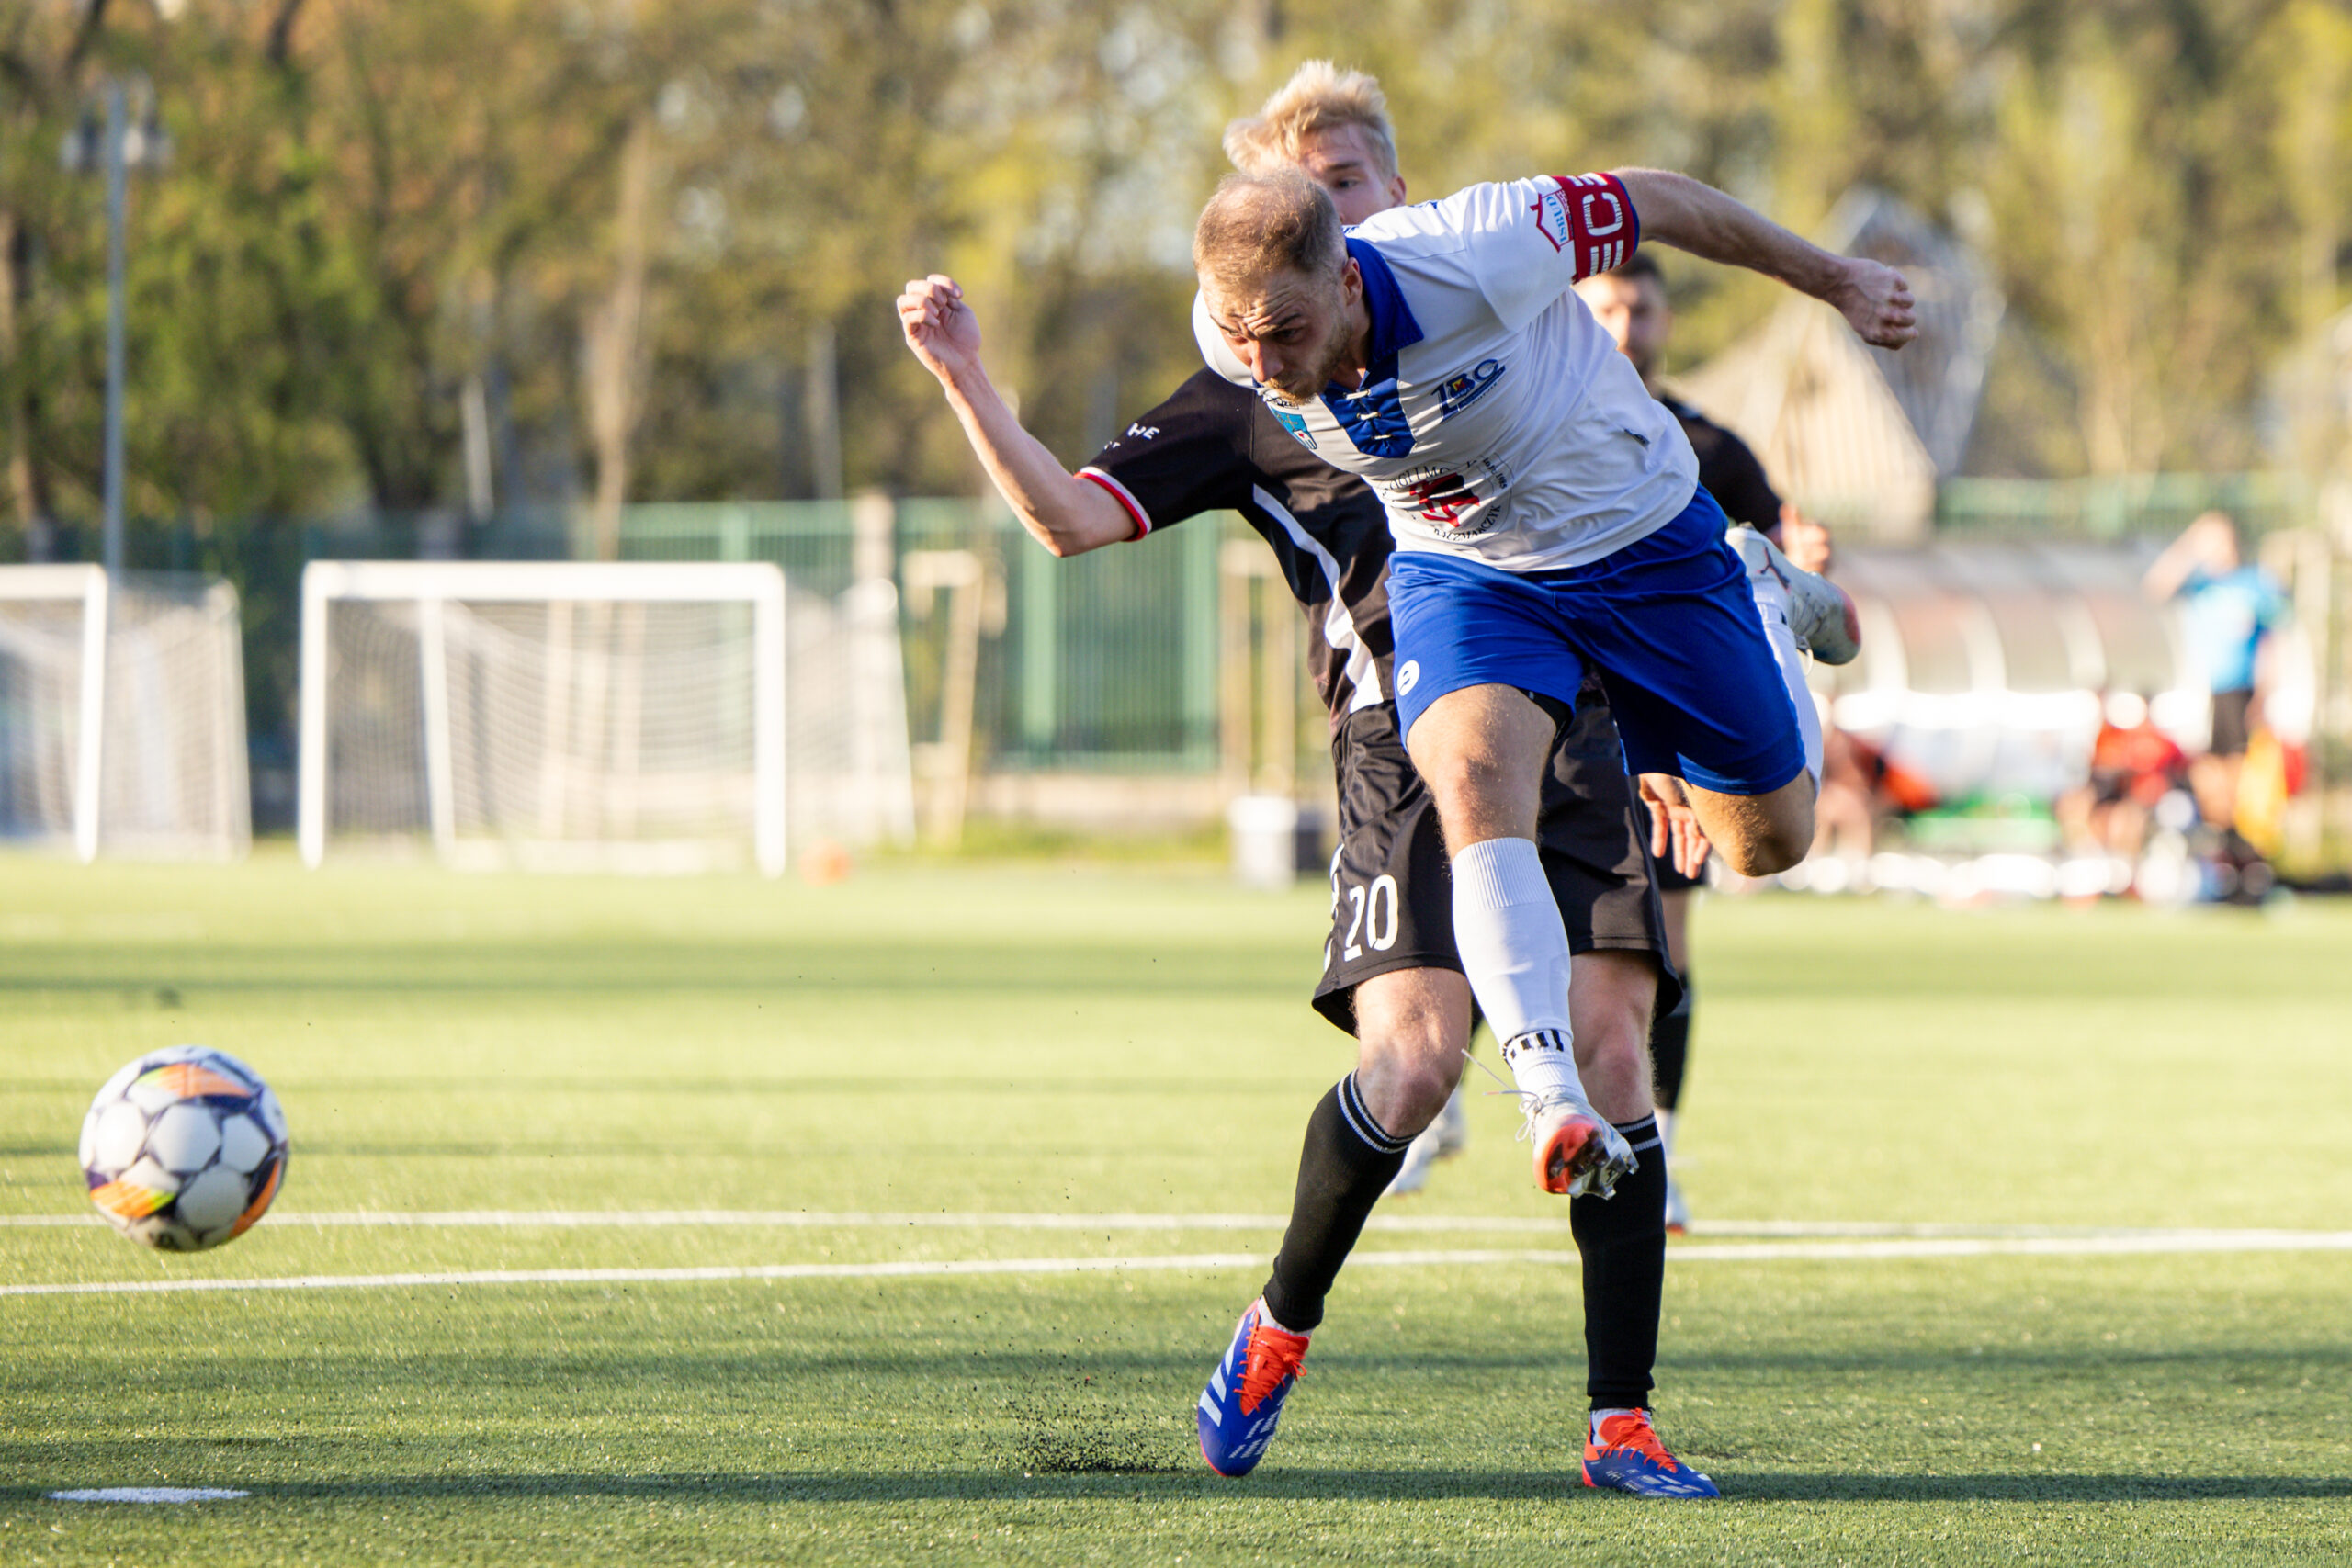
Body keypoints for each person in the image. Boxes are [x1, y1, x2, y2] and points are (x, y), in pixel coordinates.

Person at [899, 61, 1717, 1496]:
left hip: (1575, 716)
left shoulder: (1489, 303)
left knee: (1615, 1053)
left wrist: (1666, 736)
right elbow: (1073, 519)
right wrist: (969, 381)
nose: (1320, 209)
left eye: (1339, 183)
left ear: (1387, 194)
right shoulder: (1250, 382)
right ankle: (1278, 1325)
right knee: (1412, 1064)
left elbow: (1638, 522)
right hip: (1401, 742)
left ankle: (1621, 1421)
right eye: (1294, 191)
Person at [1187, 152, 1911, 1241]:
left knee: (1768, 843)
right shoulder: (1234, 333)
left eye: (1283, 333)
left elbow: (1660, 197)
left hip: (1644, 543)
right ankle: (1549, 1096)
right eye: (1237, 337)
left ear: (1345, 280)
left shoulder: (1474, 252)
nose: (1262, 365)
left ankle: (1761, 593)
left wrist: (1836, 279)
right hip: (1468, 572)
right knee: (1473, 777)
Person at [1569, 252, 1826, 1232]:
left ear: (1666, 319)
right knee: (1507, 914)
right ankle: (1442, 1110)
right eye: (1605, 307)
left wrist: (1806, 562)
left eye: (1639, 308)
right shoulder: (1537, 424)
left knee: (1664, 949)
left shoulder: (1710, 447)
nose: (1624, 326)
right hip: (1555, 722)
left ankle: (1658, 1154)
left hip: (1667, 738)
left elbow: (1782, 559)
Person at [2142, 512, 2289, 850]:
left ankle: (2238, 841)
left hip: (2240, 689)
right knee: (2205, 767)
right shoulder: (2200, 584)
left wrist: (2265, 692)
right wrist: (2188, 545)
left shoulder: (2256, 582)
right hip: (2204, 688)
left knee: (2236, 768)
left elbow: (2274, 640)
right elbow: (2155, 587)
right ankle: (2218, 836)